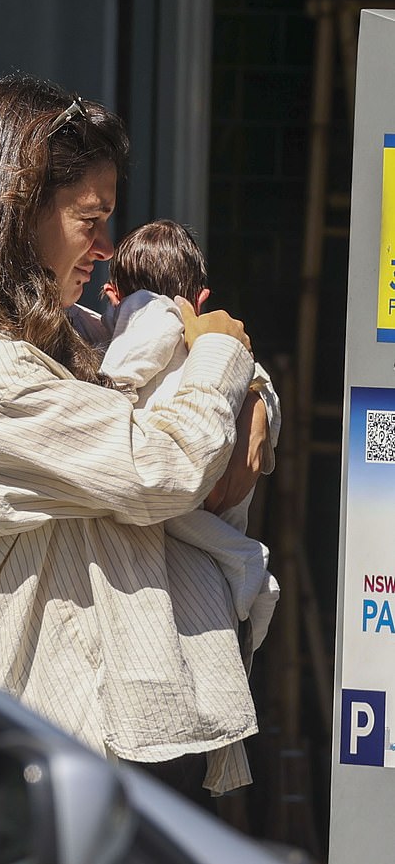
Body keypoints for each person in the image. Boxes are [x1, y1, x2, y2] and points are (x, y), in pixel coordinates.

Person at [0, 73, 275, 803]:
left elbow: (174, 389)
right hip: (6, 784)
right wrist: (226, 356)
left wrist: (254, 394)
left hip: (71, 765)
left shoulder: (55, 329)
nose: (107, 248)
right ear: (14, 213)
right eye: (90, 219)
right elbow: (159, 463)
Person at [98, 219, 281, 665]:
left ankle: (246, 579)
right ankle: (246, 587)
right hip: (214, 535)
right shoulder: (228, 354)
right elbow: (264, 411)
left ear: (112, 295)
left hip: (165, 515)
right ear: (202, 300)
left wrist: (103, 388)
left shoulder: (150, 313)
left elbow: (118, 377)